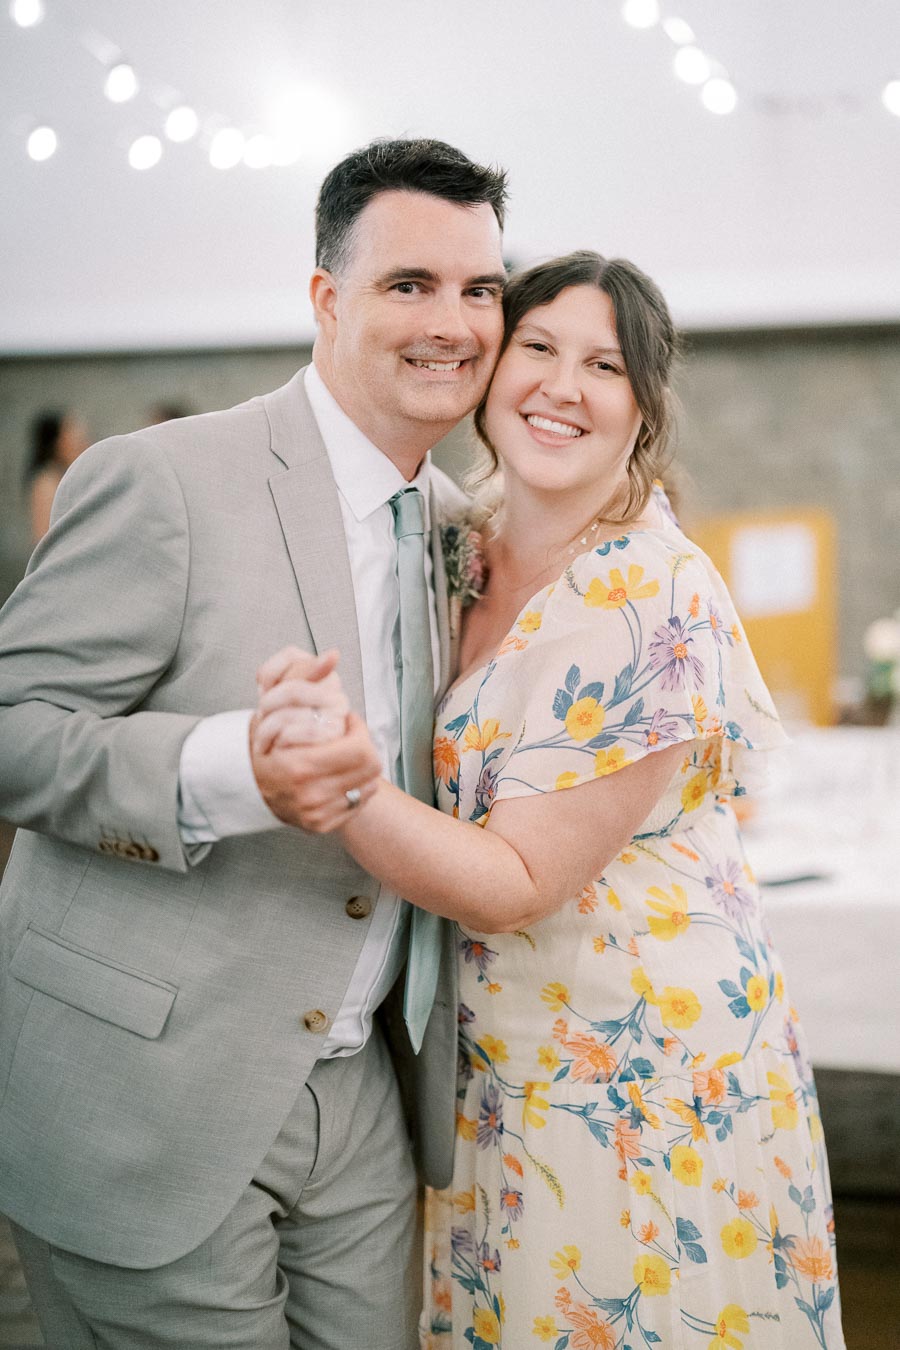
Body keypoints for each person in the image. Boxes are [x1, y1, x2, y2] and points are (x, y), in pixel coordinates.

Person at [255, 253, 845, 1348]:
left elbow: (518, 883)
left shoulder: (640, 585)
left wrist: (340, 790)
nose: (560, 386)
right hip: (507, 1059)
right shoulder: (459, 540)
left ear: (644, 408)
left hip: (636, 1077)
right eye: (538, 348)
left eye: (604, 365)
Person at [0, 138, 508, 1350]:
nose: (455, 323)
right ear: (327, 298)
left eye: (481, 289)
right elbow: (16, 730)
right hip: (154, 1094)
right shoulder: (165, 480)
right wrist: (228, 769)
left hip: (368, 1100)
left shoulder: (462, 530)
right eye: (410, 285)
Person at [26, 410, 90, 543]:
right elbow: (45, 538)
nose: (85, 445)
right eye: (77, 440)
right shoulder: (46, 483)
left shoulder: (64, 477)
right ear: (56, 444)